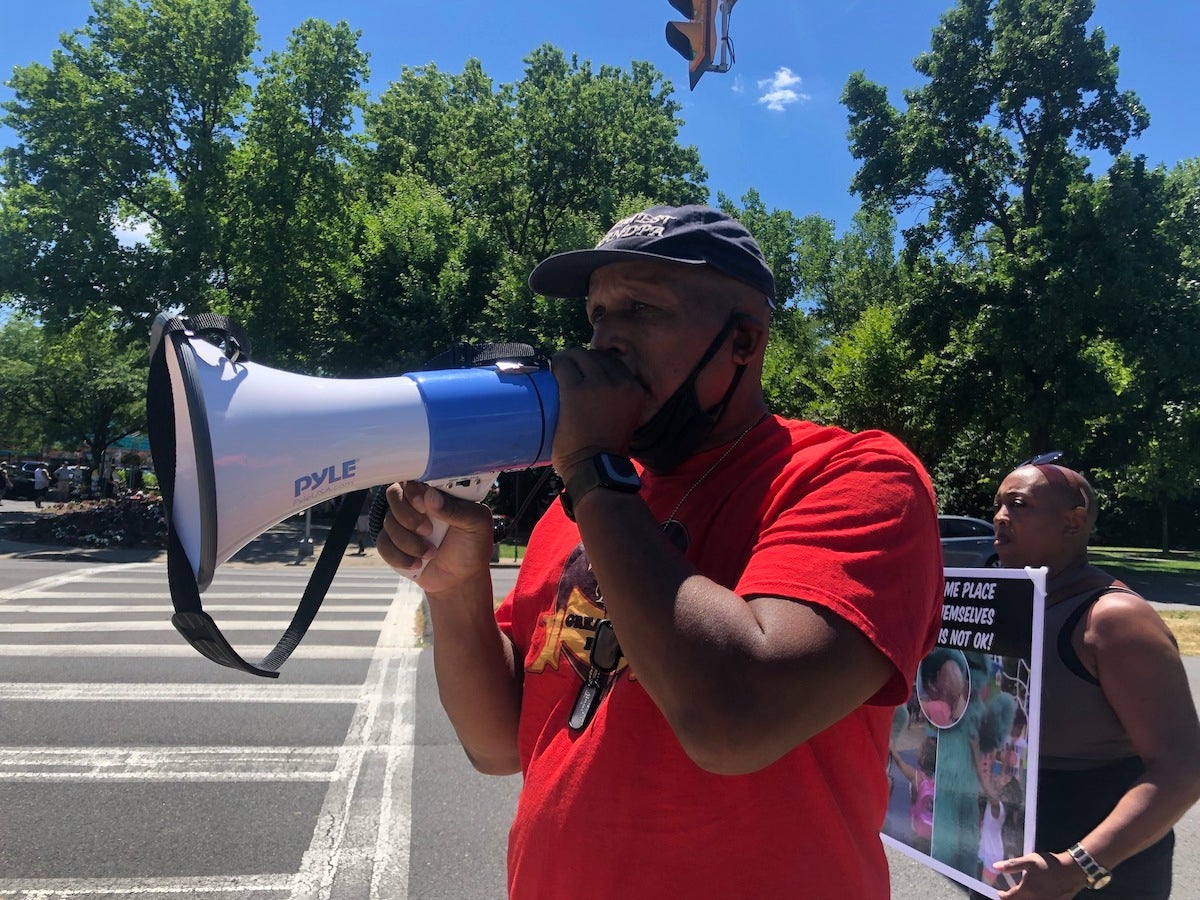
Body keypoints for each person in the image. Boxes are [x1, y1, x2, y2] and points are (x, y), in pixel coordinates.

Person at [376, 204, 944, 898]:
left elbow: (733, 720)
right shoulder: (585, 503)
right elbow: (497, 745)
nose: (606, 340)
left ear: (744, 342)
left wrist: (590, 466)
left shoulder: (853, 477)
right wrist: (454, 586)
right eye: (598, 315)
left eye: (642, 311)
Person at [976, 458, 1200, 899]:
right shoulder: (1017, 601)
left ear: (1072, 523)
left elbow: (1185, 766)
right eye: (999, 505)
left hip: (1098, 872)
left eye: (1018, 505)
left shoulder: (1112, 619)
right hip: (1010, 857)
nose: (1000, 517)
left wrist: (1078, 867)